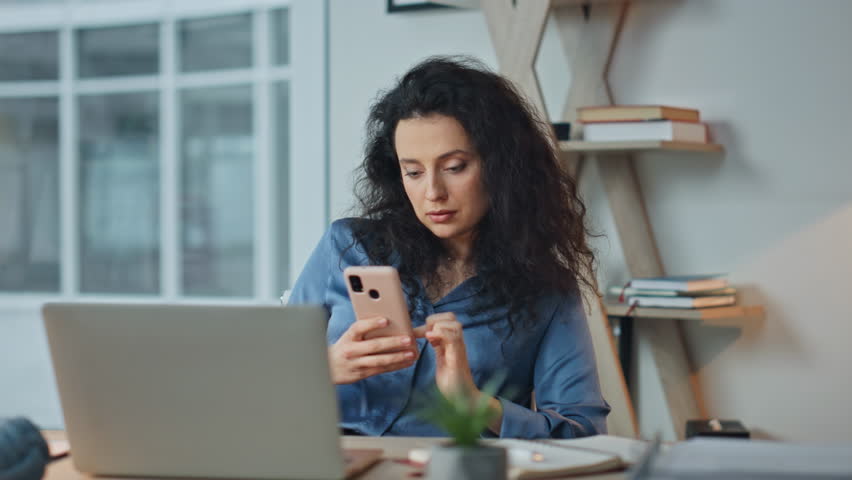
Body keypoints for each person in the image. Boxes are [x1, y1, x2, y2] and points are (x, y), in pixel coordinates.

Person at [289, 56, 610, 438]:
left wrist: (475, 403)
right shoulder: (347, 247)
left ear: (501, 166)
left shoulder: (547, 291)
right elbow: (259, 382)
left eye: (455, 167)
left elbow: (584, 432)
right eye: (413, 172)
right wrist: (323, 370)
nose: (433, 193)